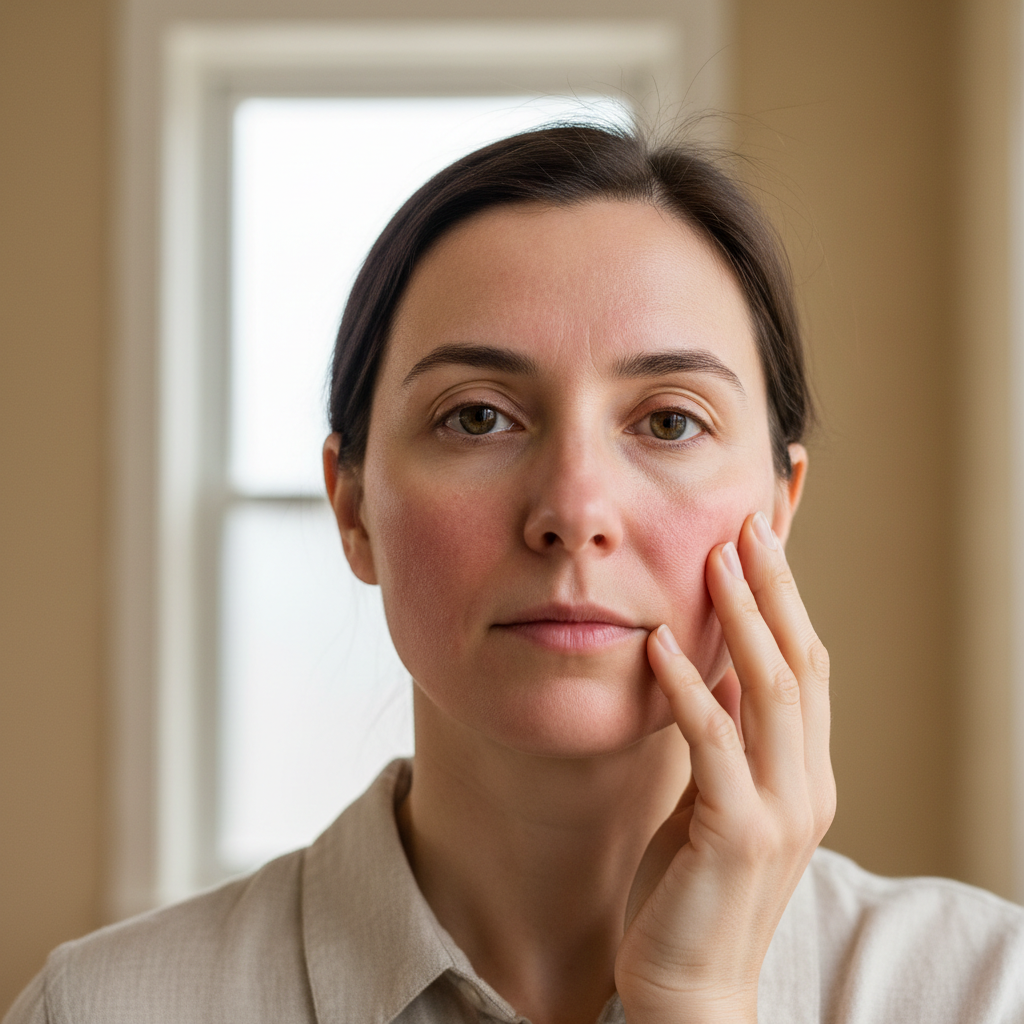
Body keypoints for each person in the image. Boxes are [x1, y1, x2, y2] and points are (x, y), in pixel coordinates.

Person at [6, 123, 1024, 1024]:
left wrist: (699, 1003)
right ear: (353, 508)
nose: (573, 511)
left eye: (670, 422)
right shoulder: (98, 1009)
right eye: (477, 416)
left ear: (778, 508)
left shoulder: (986, 991)